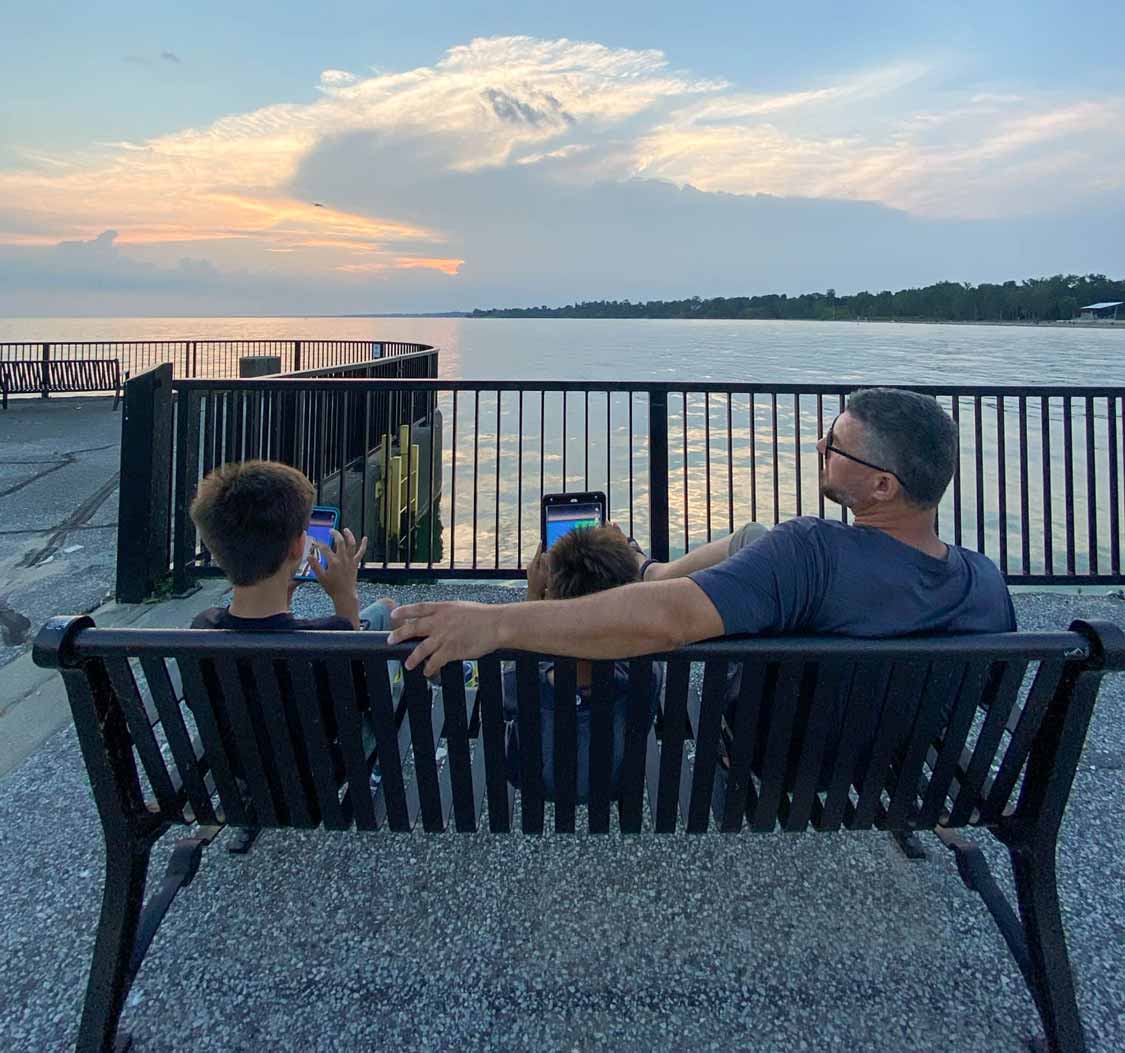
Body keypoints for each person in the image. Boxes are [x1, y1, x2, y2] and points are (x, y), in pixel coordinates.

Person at [387, 387, 1016, 676]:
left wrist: (495, 622)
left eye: (835, 446)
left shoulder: (811, 553)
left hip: (779, 759)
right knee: (749, 540)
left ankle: (646, 573)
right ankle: (648, 570)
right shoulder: (985, 583)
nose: (820, 447)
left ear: (884, 486)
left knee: (743, 554)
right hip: (896, 767)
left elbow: (668, 622)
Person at [188, 459, 394, 848]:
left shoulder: (202, 630)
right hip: (321, 776)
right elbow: (356, 700)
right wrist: (345, 599)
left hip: (249, 767)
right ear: (300, 546)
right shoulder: (327, 638)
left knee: (378, 616)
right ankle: (376, 769)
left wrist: (283, 591)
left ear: (217, 552)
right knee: (383, 614)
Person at [503, 526, 662, 802]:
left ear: (552, 602)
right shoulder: (645, 675)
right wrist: (632, 554)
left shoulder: (520, 678)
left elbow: (510, 697)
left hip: (536, 782)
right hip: (616, 781)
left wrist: (532, 596)